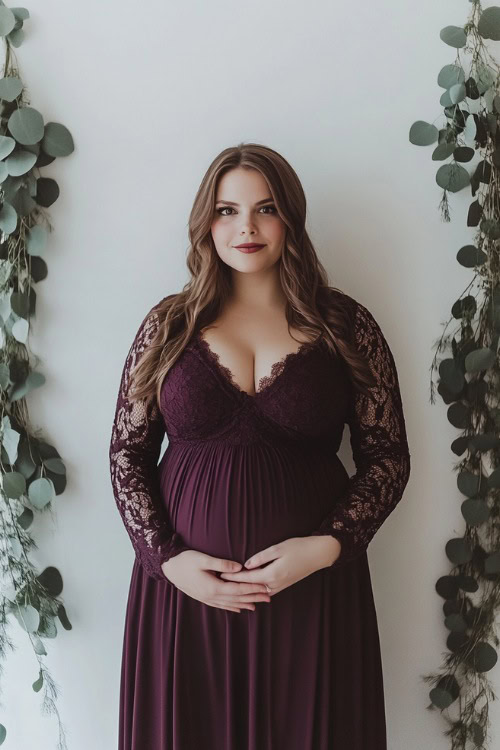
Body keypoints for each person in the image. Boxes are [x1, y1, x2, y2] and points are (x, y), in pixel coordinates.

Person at [108, 142, 411, 750]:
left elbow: (388, 457)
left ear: (291, 219)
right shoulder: (168, 325)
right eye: (226, 210)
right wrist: (167, 559)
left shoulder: (345, 326)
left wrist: (328, 547)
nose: (245, 226)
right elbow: (126, 454)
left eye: (265, 208)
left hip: (313, 598)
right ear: (206, 223)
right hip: (187, 601)